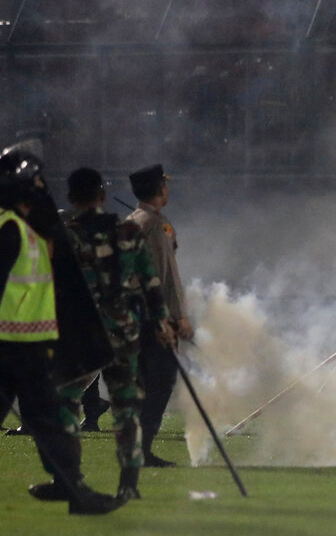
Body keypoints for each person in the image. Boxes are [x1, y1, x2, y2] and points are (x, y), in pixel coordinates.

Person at [0, 150, 123, 517]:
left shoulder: (12, 224)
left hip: (15, 345)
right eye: (34, 182)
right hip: (16, 346)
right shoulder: (10, 228)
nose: (40, 188)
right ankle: (75, 491)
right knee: (47, 420)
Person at [28, 168, 174, 503]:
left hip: (82, 333)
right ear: (103, 195)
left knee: (63, 402)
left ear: (71, 197)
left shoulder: (64, 235)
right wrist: (161, 323)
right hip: (122, 331)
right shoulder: (126, 231)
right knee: (127, 409)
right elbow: (151, 284)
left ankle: (69, 478)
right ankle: (129, 482)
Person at [128, 164, 193, 468]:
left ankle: (135, 448)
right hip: (154, 317)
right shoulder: (156, 225)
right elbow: (164, 276)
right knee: (162, 381)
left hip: (133, 316)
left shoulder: (133, 221)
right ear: (160, 189)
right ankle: (140, 449)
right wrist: (177, 317)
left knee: (143, 384)